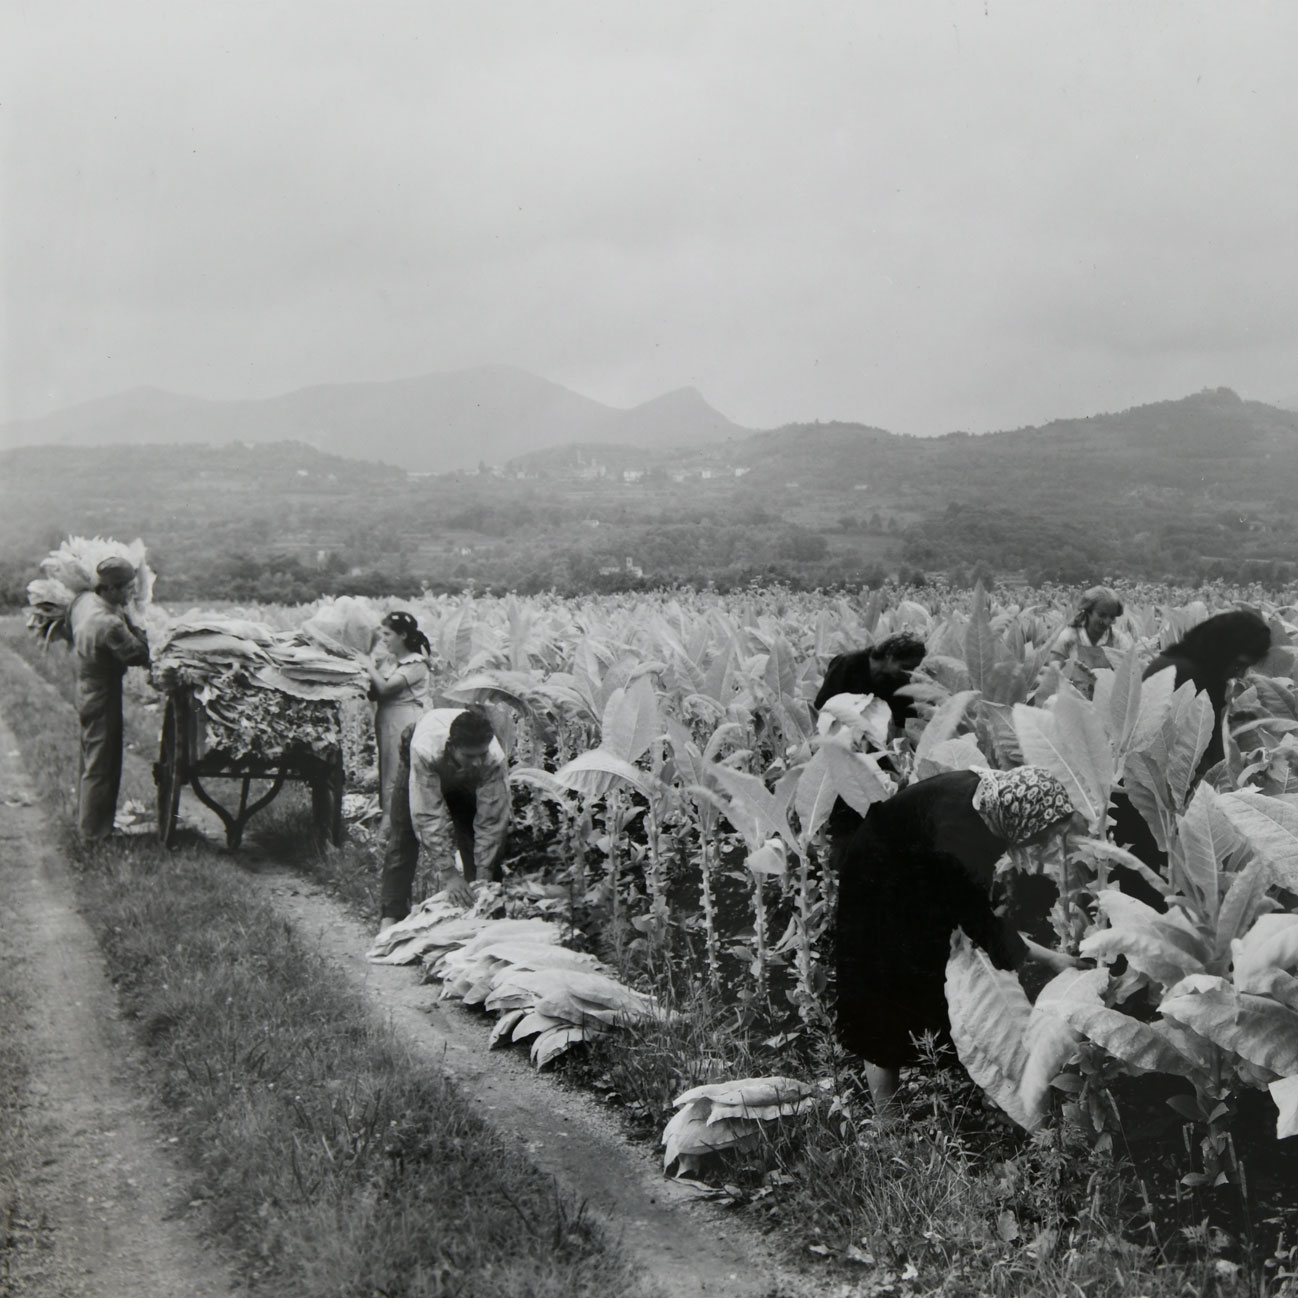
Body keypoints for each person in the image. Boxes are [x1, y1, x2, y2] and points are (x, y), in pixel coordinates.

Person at [834, 766, 1083, 1114]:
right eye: (1042, 837)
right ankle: (887, 1123)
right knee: (881, 1004)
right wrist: (1051, 959)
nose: (1045, 846)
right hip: (874, 889)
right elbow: (981, 923)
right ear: (1024, 820)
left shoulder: (990, 796)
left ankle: (949, 1074)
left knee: (931, 976)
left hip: (909, 875)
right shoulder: (960, 840)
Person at [1109, 608, 1273, 896]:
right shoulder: (1183, 673)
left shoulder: (1198, 669)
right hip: (1149, 802)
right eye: (1239, 663)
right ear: (1224, 648)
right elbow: (1182, 750)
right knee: (1154, 892)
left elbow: (1208, 744)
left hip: (1160, 803)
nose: (1242, 673)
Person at [378, 707, 510, 932]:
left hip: (464, 775)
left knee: (470, 830)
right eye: (470, 756)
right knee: (403, 836)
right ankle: (391, 915)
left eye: (482, 754)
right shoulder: (425, 749)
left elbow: (491, 820)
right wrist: (448, 873)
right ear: (452, 746)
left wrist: (484, 876)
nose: (478, 762)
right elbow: (427, 814)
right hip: (419, 757)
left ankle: (477, 907)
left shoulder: (494, 758)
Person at [68, 556, 151, 841]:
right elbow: (140, 653)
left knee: (91, 759)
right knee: (102, 764)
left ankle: (90, 826)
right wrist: (134, 620)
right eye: (127, 588)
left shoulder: (84, 603)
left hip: (85, 686)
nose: (131, 593)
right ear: (112, 589)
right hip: (103, 693)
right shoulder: (109, 623)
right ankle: (94, 835)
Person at [361, 610, 431, 825]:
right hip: (388, 718)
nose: (384, 640)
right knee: (387, 766)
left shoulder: (416, 663)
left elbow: (385, 688)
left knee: (397, 770)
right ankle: (389, 817)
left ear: (402, 635)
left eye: (388, 634)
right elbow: (374, 691)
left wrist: (366, 664)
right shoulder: (391, 661)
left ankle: (395, 822)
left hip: (404, 719)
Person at [814, 630, 928, 732]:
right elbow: (823, 703)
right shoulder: (848, 663)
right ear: (890, 656)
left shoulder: (900, 680)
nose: (910, 672)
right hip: (839, 732)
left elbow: (907, 721)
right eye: (906, 666)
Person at [1046, 587, 1125, 697]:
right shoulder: (1068, 637)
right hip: (1072, 701)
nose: (1107, 621)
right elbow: (1052, 673)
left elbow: (1127, 676)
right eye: (1102, 615)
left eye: (1111, 617)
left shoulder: (1118, 639)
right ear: (1088, 611)